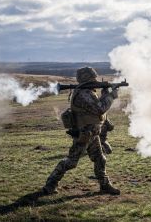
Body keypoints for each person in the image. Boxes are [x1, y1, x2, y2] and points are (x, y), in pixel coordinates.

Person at [42, 67, 120, 195]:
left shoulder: (87, 92)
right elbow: (100, 109)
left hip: (92, 134)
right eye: (93, 79)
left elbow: (96, 108)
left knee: (100, 159)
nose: (95, 81)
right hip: (84, 134)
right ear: (87, 79)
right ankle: (51, 184)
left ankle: (105, 185)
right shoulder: (83, 94)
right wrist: (111, 96)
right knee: (71, 162)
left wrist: (105, 93)